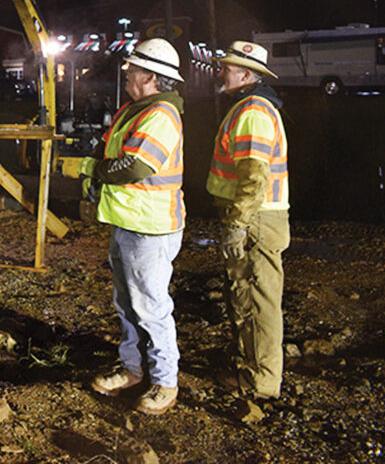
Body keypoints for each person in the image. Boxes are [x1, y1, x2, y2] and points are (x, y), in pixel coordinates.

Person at [64, 38, 186, 415]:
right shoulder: (136, 110)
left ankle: (165, 382)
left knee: (150, 308)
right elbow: (113, 152)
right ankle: (132, 370)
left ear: (150, 76)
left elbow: (135, 166)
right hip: (128, 223)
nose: (127, 73)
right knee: (127, 305)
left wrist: (89, 169)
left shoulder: (161, 115)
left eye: (132, 69)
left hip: (150, 229)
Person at [208, 41, 290, 399]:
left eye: (227, 67)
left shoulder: (253, 111)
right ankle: (250, 369)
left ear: (245, 74)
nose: (221, 72)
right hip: (256, 218)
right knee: (247, 295)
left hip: (256, 219)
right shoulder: (252, 107)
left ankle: (261, 382)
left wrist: (238, 224)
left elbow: (255, 178)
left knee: (257, 299)